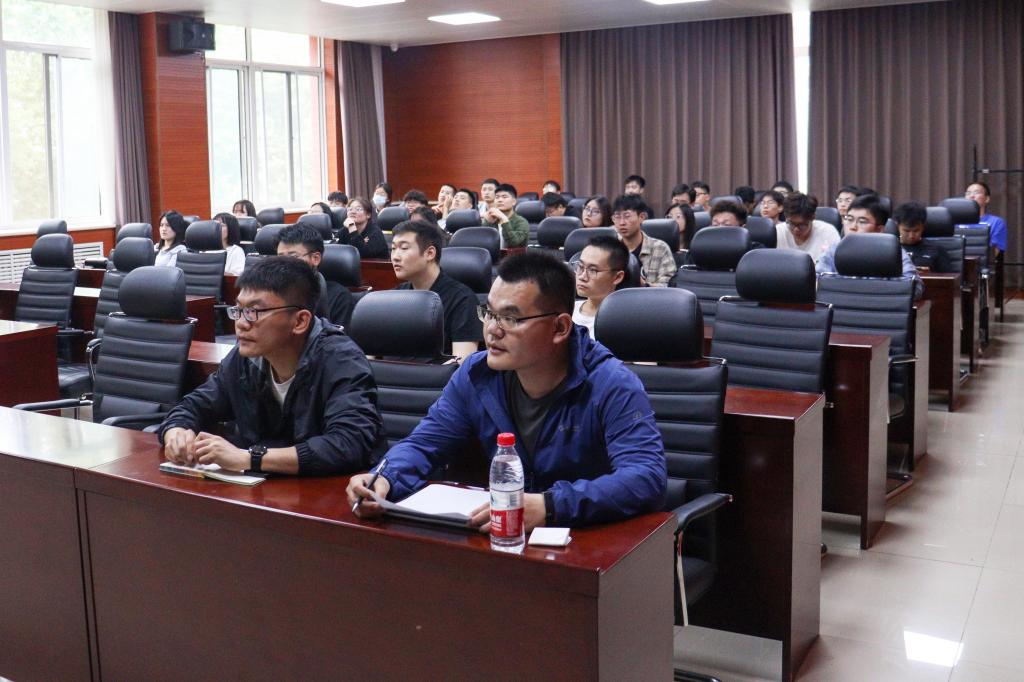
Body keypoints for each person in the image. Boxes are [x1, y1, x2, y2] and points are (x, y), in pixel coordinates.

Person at [345, 250, 666, 531]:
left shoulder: (611, 383)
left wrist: (551, 506)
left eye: (510, 318)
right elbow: (425, 443)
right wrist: (384, 478)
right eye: (489, 313)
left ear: (559, 327)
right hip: (504, 536)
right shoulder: (477, 373)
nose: (492, 330)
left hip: (588, 542)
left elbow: (645, 476)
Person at [159, 256, 383, 475]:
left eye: (254, 312)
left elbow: (348, 444)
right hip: (263, 489)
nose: (241, 324)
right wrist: (176, 432)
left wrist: (250, 458)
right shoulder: (244, 359)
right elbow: (194, 405)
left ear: (300, 321)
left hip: (329, 491)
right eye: (238, 310)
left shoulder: (341, 360)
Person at [391, 220, 482, 361]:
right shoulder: (394, 297)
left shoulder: (463, 300)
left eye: (403, 248)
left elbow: (462, 363)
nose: (395, 257)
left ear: (430, 253)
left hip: (437, 375)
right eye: (393, 248)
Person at [818, 195, 923, 299]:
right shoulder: (834, 250)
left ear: (879, 230)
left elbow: (915, 288)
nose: (853, 227)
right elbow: (817, 282)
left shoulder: (892, 252)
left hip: (880, 307)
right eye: (849, 219)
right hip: (840, 306)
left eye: (862, 221)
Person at [277, 223, 354, 327]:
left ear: (315, 258)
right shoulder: (272, 292)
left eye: (293, 257)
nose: (284, 264)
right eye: (280, 258)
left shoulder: (339, 297)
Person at [611, 194, 677, 286]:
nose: (622, 222)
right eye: (617, 217)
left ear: (641, 217)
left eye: (627, 216)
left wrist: (643, 285)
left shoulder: (660, 248)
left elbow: (669, 286)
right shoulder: (610, 249)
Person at [572, 235, 628, 336]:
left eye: (593, 270)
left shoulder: (624, 322)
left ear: (617, 277)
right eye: (580, 266)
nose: (582, 276)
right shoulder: (567, 311)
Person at [774, 193, 839, 265]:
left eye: (801, 225)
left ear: (812, 217)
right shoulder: (777, 232)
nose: (796, 230)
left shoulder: (828, 233)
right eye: (791, 224)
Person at [894, 201, 950, 271]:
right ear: (897, 226)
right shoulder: (891, 249)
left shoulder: (937, 250)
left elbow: (948, 276)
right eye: (906, 231)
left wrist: (930, 274)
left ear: (923, 227)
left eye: (916, 231)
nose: (911, 236)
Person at [965, 182, 1008, 255]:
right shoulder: (956, 221)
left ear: (987, 199)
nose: (971, 196)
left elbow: (996, 252)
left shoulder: (996, 222)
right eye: (968, 193)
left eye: (976, 192)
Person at [481, 183, 528, 248]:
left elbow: (514, 243)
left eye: (504, 197)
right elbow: (483, 243)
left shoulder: (521, 222)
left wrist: (503, 219)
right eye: (497, 197)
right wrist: (486, 222)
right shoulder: (491, 220)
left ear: (514, 202)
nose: (500, 200)